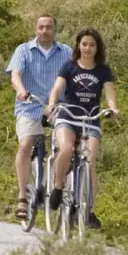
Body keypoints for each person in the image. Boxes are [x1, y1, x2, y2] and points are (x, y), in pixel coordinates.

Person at [44, 26, 119, 230]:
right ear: (78, 45)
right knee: (66, 149)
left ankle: (88, 209)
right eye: (84, 44)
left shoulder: (103, 70)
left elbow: (110, 94)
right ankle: (58, 187)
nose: (87, 48)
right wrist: (52, 104)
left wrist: (112, 108)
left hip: (90, 119)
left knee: (90, 161)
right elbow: (57, 88)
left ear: (97, 48)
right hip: (68, 117)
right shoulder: (69, 67)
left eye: (92, 45)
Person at [6, 14, 71, 223]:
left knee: (67, 144)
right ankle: (22, 197)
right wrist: (21, 89)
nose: (44, 31)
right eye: (41, 27)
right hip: (30, 105)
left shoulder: (67, 52)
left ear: (55, 30)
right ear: (36, 29)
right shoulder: (24, 50)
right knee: (25, 145)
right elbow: (15, 74)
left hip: (57, 107)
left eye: (49, 27)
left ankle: (61, 185)